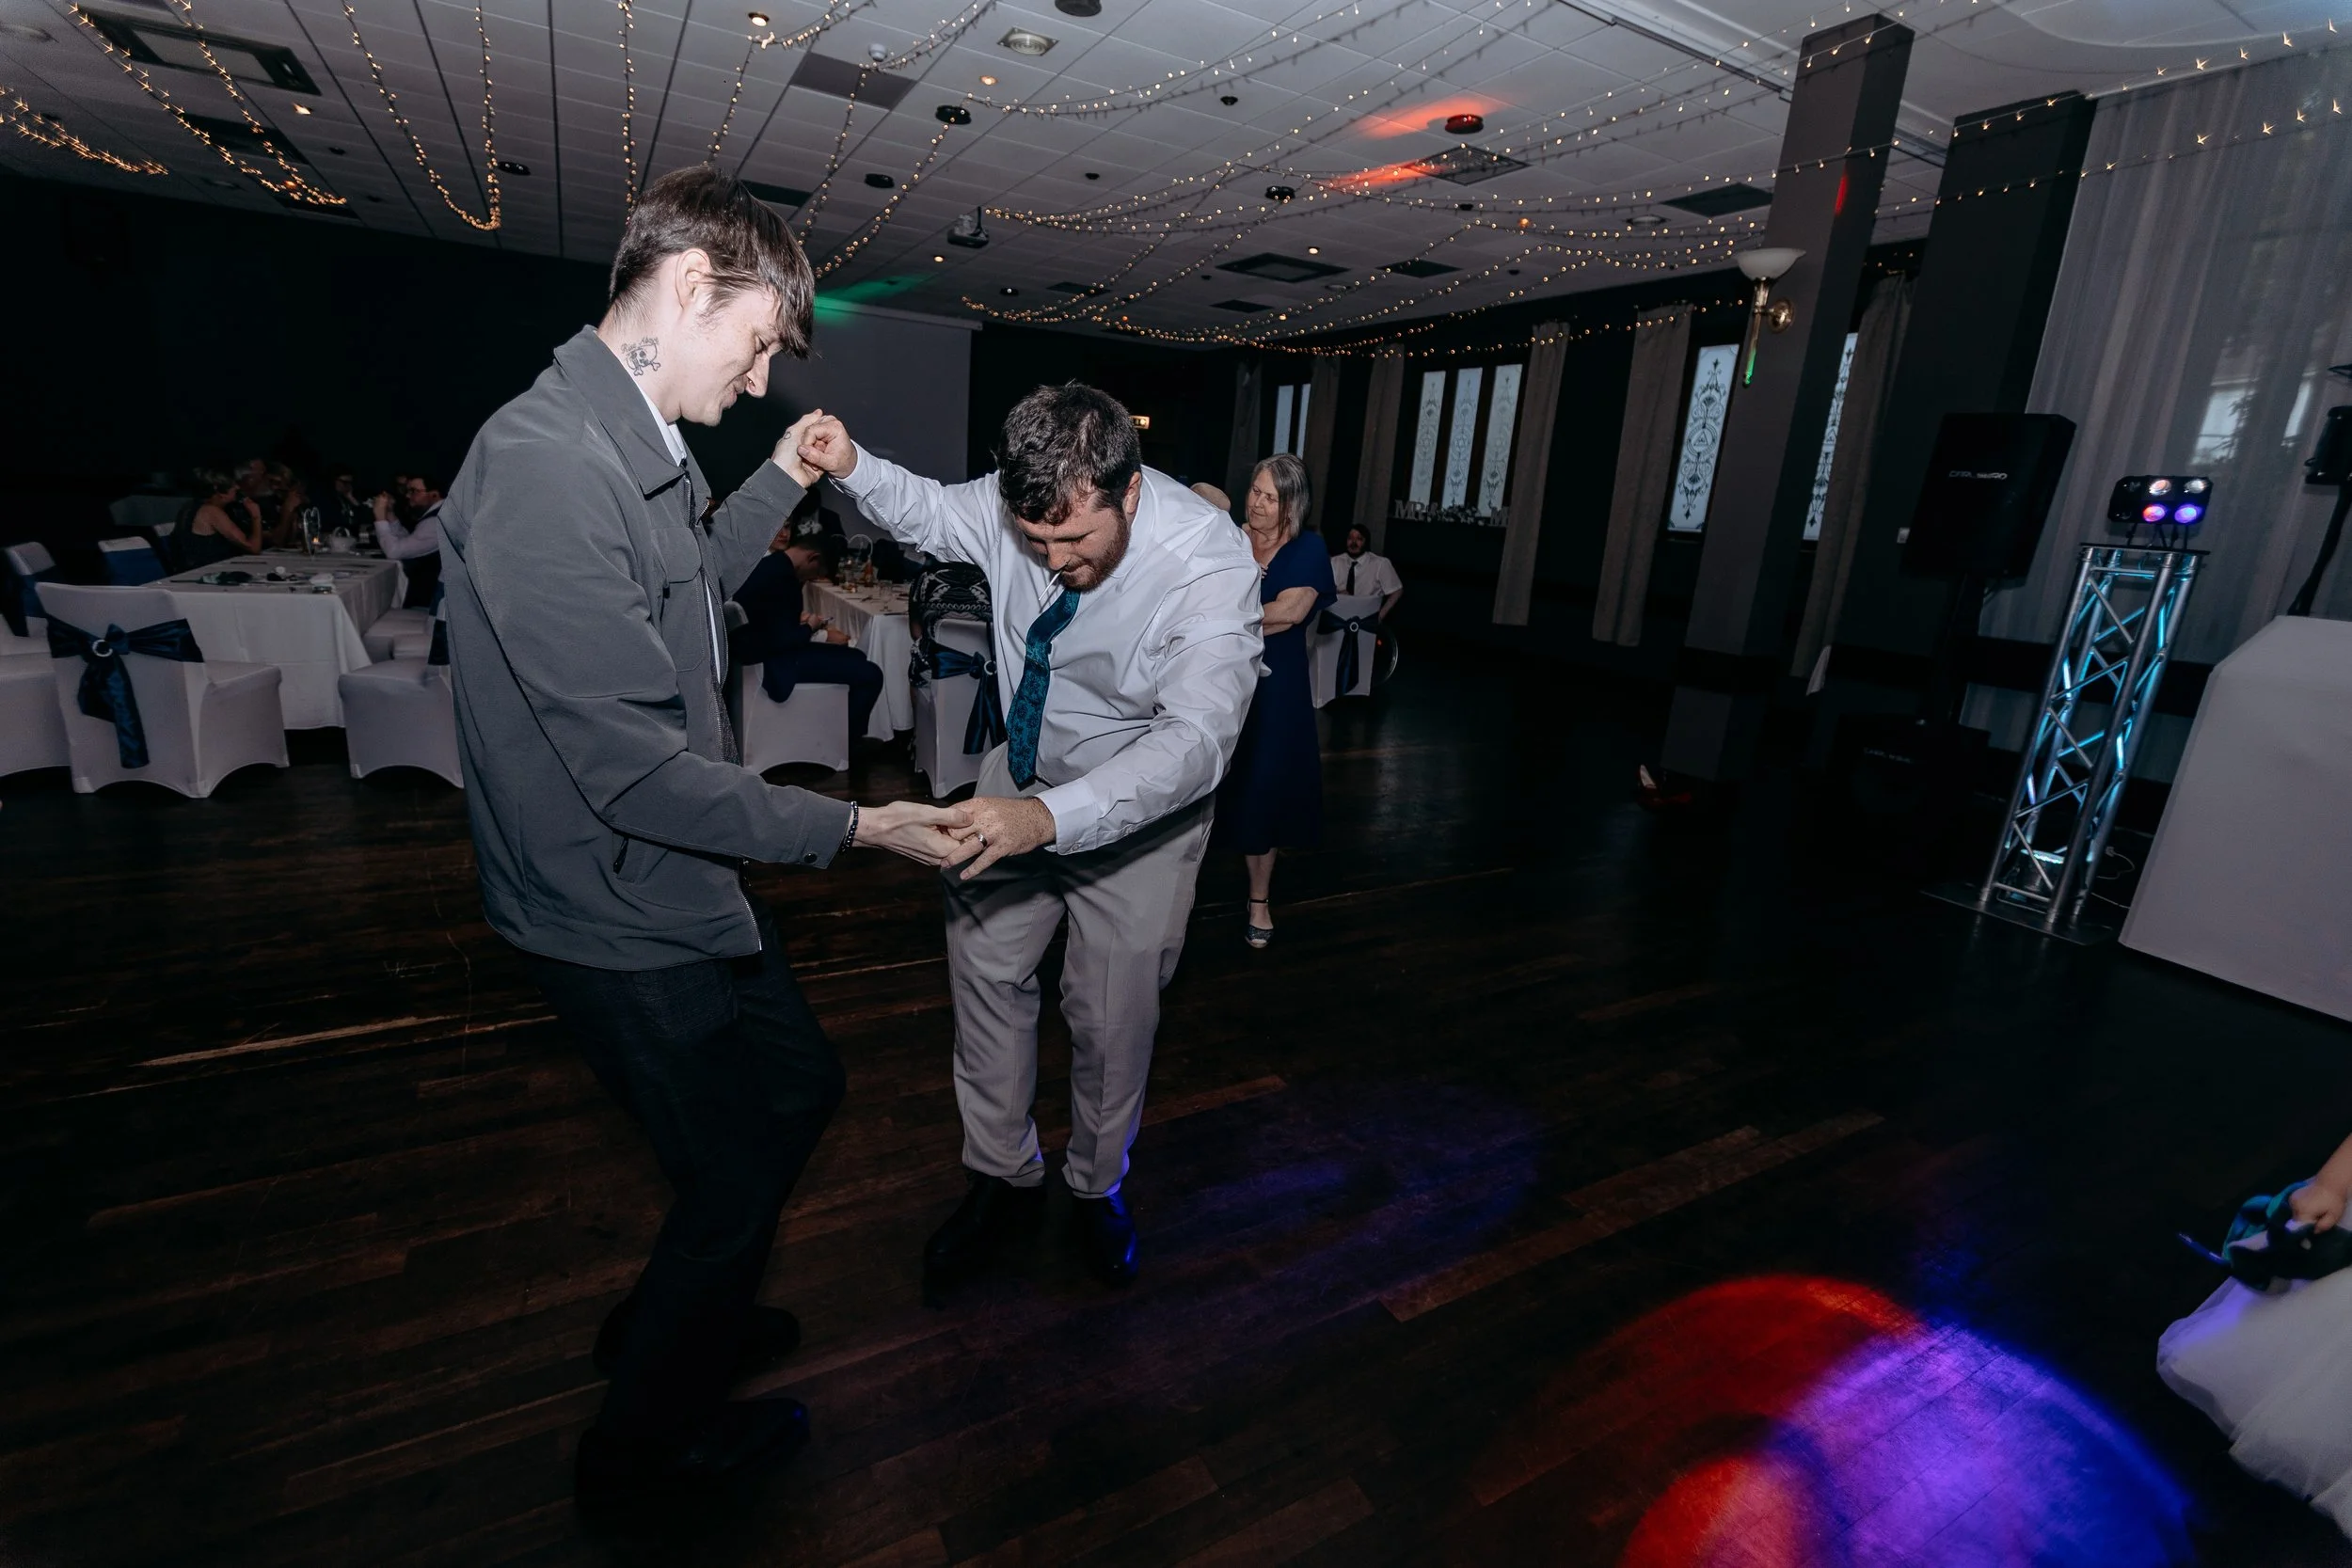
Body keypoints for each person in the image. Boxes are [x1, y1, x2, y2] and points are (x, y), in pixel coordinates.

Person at [437, 165, 974, 1506]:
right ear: (689, 287)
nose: (754, 386)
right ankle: (639, 1454)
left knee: (796, 1095)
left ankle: (681, 1317)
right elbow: (635, 776)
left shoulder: (629, 439)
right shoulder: (544, 464)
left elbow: (691, 580)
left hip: (685, 885)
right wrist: (863, 824)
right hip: (613, 904)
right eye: (751, 352)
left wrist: (784, 475)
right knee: (733, 1175)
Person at [794, 384, 1263, 1295]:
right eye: (1033, 540)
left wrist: (1052, 818)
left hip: (1142, 805)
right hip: (1020, 769)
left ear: (1127, 492)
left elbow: (1197, 741)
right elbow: (931, 511)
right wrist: (852, 466)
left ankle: (1096, 1184)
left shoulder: (1208, 562)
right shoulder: (1020, 510)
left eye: (1075, 542)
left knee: (1108, 1016)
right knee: (986, 975)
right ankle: (1002, 1175)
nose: (1052, 560)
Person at [1220, 454, 1335, 949]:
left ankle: (1259, 898)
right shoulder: (1227, 536)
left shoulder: (1309, 547)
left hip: (1276, 692)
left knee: (1263, 790)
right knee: (1200, 783)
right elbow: (1203, 495)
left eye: (1271, 497)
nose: (1257, 503)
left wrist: (1222, 614)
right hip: (1219, 681)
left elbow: (1290, 612)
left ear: (1292, 504)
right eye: (1254, 491)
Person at [730, 520, 885, 740]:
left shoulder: (769, 565)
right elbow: (784, 640)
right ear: (812, 558)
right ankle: (846, 740)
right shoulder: (784, 579)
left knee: (857, 656)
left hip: (762, 653)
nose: (812, 578)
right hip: (776, 663)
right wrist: (810, 627)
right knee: (872, 674)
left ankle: (839, 731)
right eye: (815, 572)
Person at [174, 467, 265, 569]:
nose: (237, 487)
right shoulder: (211, 512)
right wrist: (256, 516)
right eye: (232, 485)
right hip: (204, 573)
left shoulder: (191, 506)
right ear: (218, 489)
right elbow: (254, 548)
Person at [373, 474, 444, 607]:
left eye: (413, 491)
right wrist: (389, 514)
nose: (407, 496)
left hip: (424, 603)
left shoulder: (436, 522)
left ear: (434, 495)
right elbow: (408, 542)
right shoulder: (438, 515)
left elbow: (394, 551)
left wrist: (380, 518)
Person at [1330, 522, 1403, 620]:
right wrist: (1336, 593)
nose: (1353, 542)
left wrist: (1379, 616)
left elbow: (1397, 591)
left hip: (1366, 619)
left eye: (1359, 539)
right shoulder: (1335, 561)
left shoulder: (1380, 563)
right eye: (1350, 538)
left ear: (1366, 542)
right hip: (1337, 616)